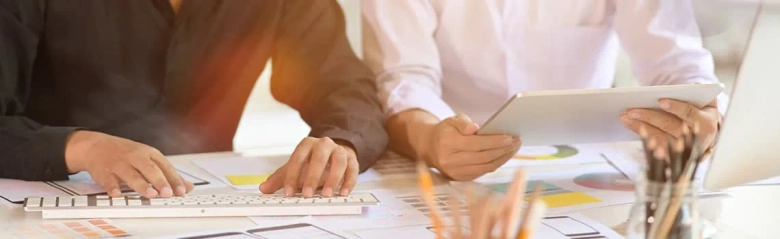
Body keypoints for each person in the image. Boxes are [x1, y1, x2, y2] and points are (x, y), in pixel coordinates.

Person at [0, 0, 387, 199]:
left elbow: (345, 85)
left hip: (208, 209)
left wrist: (340, 143)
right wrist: (82, 147)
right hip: (50, 200)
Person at [362, 0, 727, 181]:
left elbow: (677, 61)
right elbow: (404, 76)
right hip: (448, 165)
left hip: (586, 163)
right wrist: (430, 140)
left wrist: (702, 113)